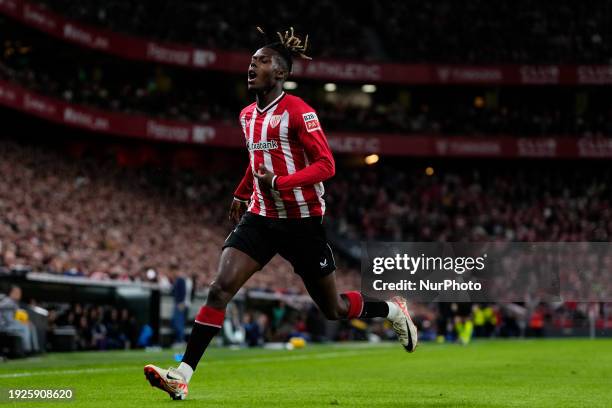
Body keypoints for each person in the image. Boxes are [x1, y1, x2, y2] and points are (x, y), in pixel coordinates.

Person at [144, 27, 417, 401]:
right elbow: (256, 162)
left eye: (262, 60)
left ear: (281, 73)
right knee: (219, 288)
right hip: (260, 217)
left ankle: (391, 309)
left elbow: (326, 165)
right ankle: (182, 374)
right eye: (252, 59)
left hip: (302, 222)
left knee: (333, 309)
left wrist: (280, 182)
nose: (252, 64)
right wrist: (243, 192)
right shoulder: (246, 116)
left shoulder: (299, 112)